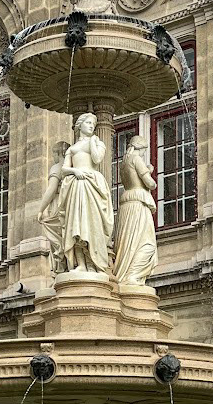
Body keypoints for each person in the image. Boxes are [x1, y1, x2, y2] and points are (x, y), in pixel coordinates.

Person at [59, 112, 114, 275]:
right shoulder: (72, 148)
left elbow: (97, 159)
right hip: (76, 186)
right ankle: (81, 264)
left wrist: (92, 142)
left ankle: (94, 263)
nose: (91, 126)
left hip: (93, 184)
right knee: (76, 225)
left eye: (93, 124)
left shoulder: (97, 143)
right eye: (88, 123)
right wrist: (75, 171)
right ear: (80, 125)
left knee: (92, 224)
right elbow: (64, 170)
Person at [113, 136, 157, 285]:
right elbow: (150, 184)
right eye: (145, 149)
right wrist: (150, 173)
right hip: (138, 204)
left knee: (127, 243)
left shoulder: (123, 162)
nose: (144, 153)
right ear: (141, 148)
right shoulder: (136, 159)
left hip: (126, 204)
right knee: (146, 243)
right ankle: (132, 275)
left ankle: (125, 273)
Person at [37, 141, 71, 276]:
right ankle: (69, 264)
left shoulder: (57, 167)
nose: (53, 158)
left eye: (54, 154)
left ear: (59, 153)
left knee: (57, 237)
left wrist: (41, 209)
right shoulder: (72, 166)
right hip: (69, 204)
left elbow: (51, 190)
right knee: (66, 234)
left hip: (58, 204)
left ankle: (61, 268)